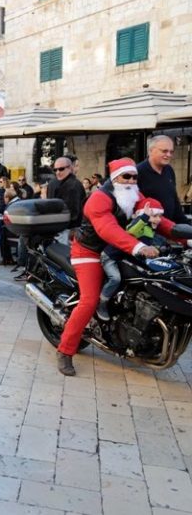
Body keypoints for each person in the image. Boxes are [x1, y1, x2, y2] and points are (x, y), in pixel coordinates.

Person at [57, 158, 172, 376]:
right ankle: (65, 351)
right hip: (89, 251)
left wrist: (186, 238)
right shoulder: (99, 199)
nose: (130, 180)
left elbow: (158, 219)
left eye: (134, 177)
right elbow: (106, 229)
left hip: (117, 250)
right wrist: (138, 246)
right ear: (115, 177)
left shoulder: (135, 196)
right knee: (89, 301)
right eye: (126, 176)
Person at [96, 198, 167, 321]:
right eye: (155, 216)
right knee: (115, 279)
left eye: (160, 216)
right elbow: (130, 231)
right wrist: (144, 217)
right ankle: (101, 303)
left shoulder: (150, 229)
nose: (158, 219)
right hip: (110, 257)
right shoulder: (138, 224)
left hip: (126, 259)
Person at [137, 135, 188, 224]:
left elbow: (174, 200)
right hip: (149, 230)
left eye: (171, 152)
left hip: (170, 229)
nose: (168, 155)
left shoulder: (169, 170)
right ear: (151, 150)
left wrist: (185, 225)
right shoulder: (138, 172)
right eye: (164, 151)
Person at [47, 157, 86, 244]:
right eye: (55, 170)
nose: (58, 172)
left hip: (66, 230)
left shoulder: (73, 185)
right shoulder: (54, 183)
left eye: (61, 169)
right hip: (61, 229)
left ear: (70, 168)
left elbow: (73, 213)